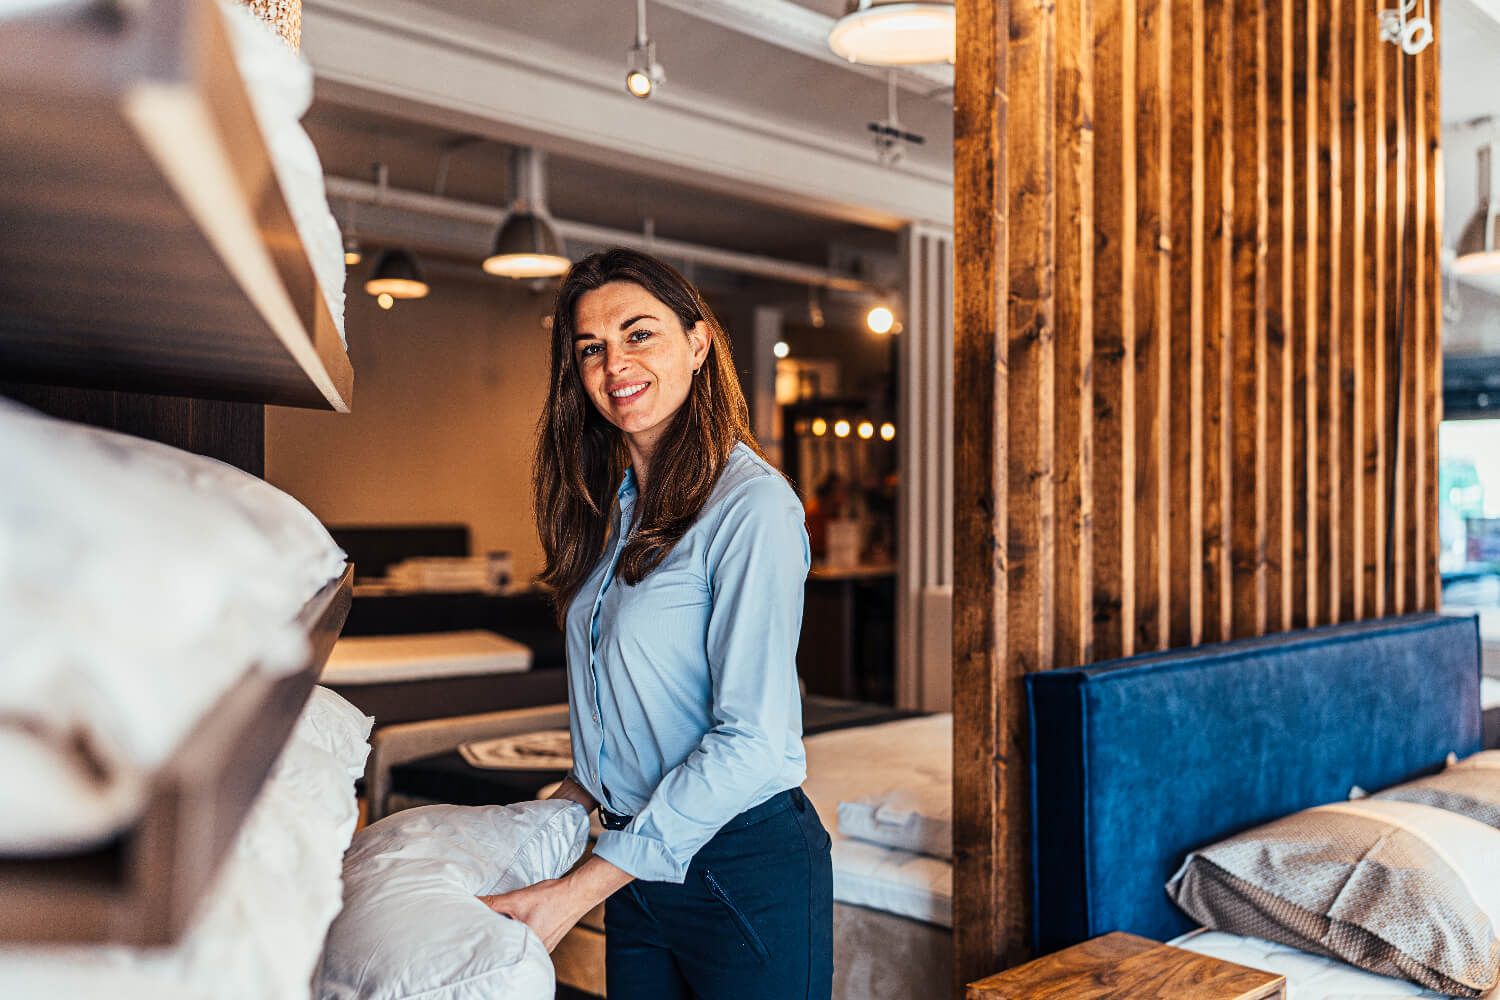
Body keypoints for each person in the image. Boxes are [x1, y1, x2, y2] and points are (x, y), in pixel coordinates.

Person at [480, 247, 833, 1000]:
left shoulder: (752, 508)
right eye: (591, 348)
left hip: (739, 871)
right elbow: (635, 712)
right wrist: (559, 811)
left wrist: (577, 892)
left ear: (698, 344)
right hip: (637, 866)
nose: (615, 365)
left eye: (640, 335)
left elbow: (753, 741)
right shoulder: (619, 509)